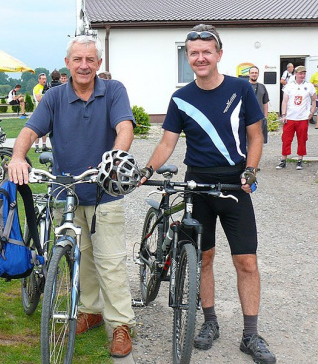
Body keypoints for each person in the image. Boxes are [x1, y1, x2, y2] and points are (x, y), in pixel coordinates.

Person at [139, 24, 276, 364]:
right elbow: (167, 142)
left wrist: (250, 170)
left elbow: (255, 137)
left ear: (219, 54)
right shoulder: (181, 98)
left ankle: (250, 335)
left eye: (206, 52)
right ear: (188, 57)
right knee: (204, 259)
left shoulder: (241, 89)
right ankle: (209, 322)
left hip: (233, 186)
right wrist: (147, 170)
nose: (200, 58)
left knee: (246, 261)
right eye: (194, 53)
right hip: (196, 186)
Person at [8, 35, 137, 358]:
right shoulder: (53, 98)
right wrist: (17, 157)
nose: (84, 65)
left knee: (110, 262)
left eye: (90, 60)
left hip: (104, 191)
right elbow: (29, 130)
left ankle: (120, 324)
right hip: (66, 192)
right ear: (67, 63)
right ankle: (91, 310)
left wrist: (115, 159)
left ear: (98, 64)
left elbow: (125, 128)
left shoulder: (114, 91)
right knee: (81, 258)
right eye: (77, 60)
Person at [277, 65, 317, 170]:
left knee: (302, 139)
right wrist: (284, 114)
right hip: (290, 117)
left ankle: (300, 160)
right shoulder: (289, 86)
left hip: (302, 118)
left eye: (304, 73)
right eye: (300, 73)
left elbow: (314, 100)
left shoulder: (309, 86)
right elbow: (284, 101)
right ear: (295, 74)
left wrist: (312, 112)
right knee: (286, 139)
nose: (302, 75)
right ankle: (283, 160)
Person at [249, 66, 270, 143]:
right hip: (247, 118)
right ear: (249, 74)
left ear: (258, 74)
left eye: (256, 73)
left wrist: (265, 116)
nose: (254, 74)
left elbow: (265, 102)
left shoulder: (262, 87)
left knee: (258, 141)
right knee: (247, 141)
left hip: (260, 118)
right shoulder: (244, 86)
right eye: (252, 73)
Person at [33, 72, 50, 152]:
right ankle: (36, 147)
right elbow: (39, 99)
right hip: (39, 110)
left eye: (45, 79)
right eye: (43, 79)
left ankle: (44, 145)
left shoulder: (44, 87)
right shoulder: (37, 87)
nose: (44, 80)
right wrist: (47, 96)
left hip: (45, 110)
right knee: (38, 129)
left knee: (45, 129)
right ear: (39, 79)